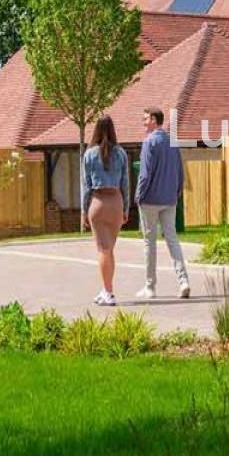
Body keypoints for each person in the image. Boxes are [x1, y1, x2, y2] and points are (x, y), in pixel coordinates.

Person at [134, 106, 190, 299]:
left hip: (150, 199)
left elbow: (145, 173)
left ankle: (150, 287)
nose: (143, 122)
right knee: (172, 239)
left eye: (145, 119)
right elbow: (180, 171)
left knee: (149, 242)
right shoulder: (172, 142)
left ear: (154, 120)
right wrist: (177, 192)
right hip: (169, 198)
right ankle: (183, 281)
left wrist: (138, 195)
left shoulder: (149, 142)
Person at [80, 114, 131, 306]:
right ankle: (106, 289)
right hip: (116, 202)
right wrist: (125, 208)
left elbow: (86, 186)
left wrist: (84, 211)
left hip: (98, 202)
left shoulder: (90, 154)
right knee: (109, 250)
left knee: (103, 250)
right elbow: (125, 183)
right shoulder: (121, 153)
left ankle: (108, 292)